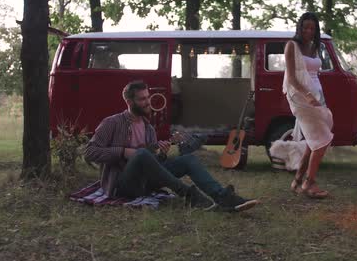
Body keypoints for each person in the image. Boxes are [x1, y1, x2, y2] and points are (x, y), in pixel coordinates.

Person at [85, 80, 259, 212]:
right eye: (142, 99)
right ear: (130, 103)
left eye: (148, 97)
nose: (147, 102)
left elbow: (154, 163)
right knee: (141, 155)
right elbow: (90, 152)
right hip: (122, 185)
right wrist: (124, 152)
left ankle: (223, 198)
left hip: (145, 183)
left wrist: (160, 153)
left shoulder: (148, 128)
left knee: (188, 159)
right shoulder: (112, 123)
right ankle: (190, 195)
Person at [283, 12, 334, 199]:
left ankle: (297, 181)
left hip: (317, 95)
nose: (309, 31)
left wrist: (318, 97)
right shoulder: (291, 46)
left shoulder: (314, 46)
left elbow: (315, 74)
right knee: (322, 139)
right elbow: (292, 78)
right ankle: (309, 183)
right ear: (300, 27)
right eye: (305, 27)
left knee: (314, 141)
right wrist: (308, 95)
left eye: (312, 28)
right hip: (299, 96)